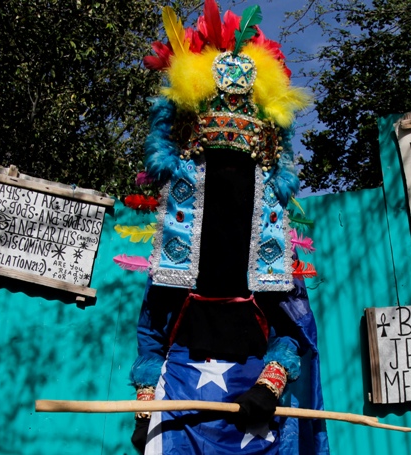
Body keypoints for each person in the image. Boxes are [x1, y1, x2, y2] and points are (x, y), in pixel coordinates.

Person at [128, 1, 328, 453]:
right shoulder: (174, 257)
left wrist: (268, 386)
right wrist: (146, 410)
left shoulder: (275, 262)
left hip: (253, 411)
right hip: (179, 402)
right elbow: (152, 336)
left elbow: (292, 337)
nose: (227, 186)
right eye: (214, 170)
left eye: (239, 173)